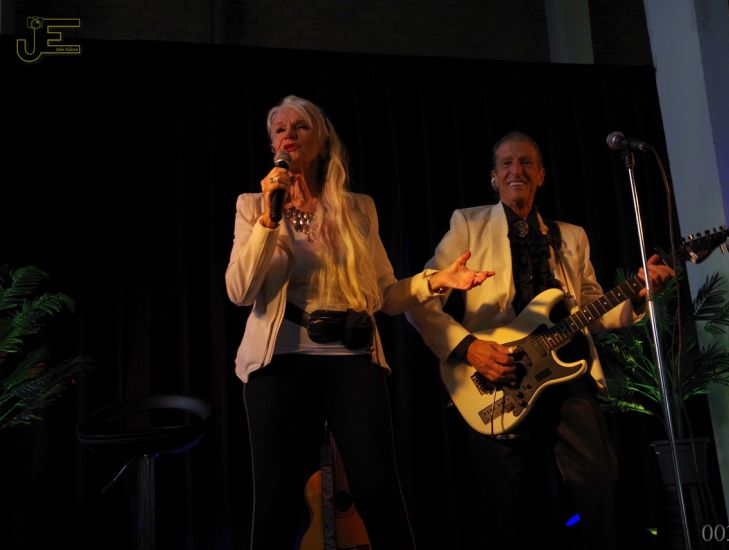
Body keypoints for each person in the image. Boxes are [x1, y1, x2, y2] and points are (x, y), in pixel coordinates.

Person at [225, 95, 494, 550]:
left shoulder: (358, 209)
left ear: (322, 140)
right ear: (272, 145)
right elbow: (239, 291)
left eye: (300, 127)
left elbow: (385, 295)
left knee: (377, 490)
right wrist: (270, 218)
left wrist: (436, 281)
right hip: (279, 362)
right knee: (277, 500)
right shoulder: (253, 206)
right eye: (279, 130)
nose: (288, 136)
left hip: (352, 359)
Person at [404, 131, 675, 549]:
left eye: (527, 162)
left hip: (567, 372)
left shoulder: (571, 236)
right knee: (509, 504)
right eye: (507, 163)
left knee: (601, 483)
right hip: (499, 376)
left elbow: (593, 310)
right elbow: (420, 300)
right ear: (494, 177)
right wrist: (469, 348)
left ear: (542, 175)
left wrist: (637, 294)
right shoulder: (469, 224)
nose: (517, 170)